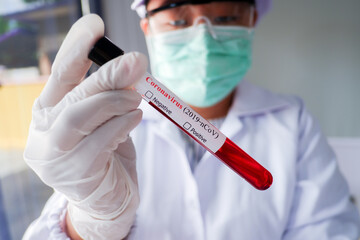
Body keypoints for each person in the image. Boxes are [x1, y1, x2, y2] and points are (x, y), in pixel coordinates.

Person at [23, 0, 360, 239]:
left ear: (252, 21)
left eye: (226, 17)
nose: (203, 37)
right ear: (147, 27)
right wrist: (91, 222)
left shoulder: (292, 122)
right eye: (179, 20)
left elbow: (331, 230)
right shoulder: (107, 125)